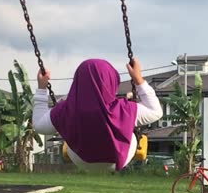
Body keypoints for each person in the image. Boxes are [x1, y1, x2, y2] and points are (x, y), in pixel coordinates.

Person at [33, 58, 163, 172]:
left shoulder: (65, 110)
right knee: (132, 132)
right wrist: (138, 80)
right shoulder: (124, 109)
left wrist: (41, 88)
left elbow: (38, 125)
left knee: (68, 133)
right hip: (117, 159)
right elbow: (156, 112)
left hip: (81, 159)